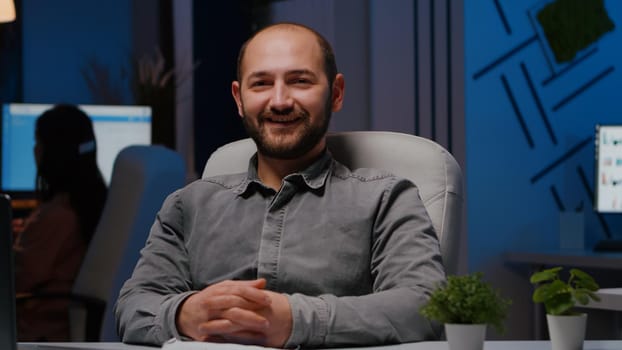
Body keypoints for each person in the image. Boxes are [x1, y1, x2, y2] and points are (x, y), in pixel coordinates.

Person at [115, 22, 445, 348]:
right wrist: (184, 314)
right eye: (260, 84)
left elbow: (424, 306)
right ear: (239, 98)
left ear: (336, 93)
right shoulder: (188, 205)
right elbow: (133, 306)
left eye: (300, 81)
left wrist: (295, 320)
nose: (280, 100)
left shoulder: (386, 198)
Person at [13, 104, 108, 341]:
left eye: (38, 142)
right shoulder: (96, 203)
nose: (35, 150)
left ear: (52, 152)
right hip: (65, 326)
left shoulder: (56, 216)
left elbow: (17, 278)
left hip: (38, 329)